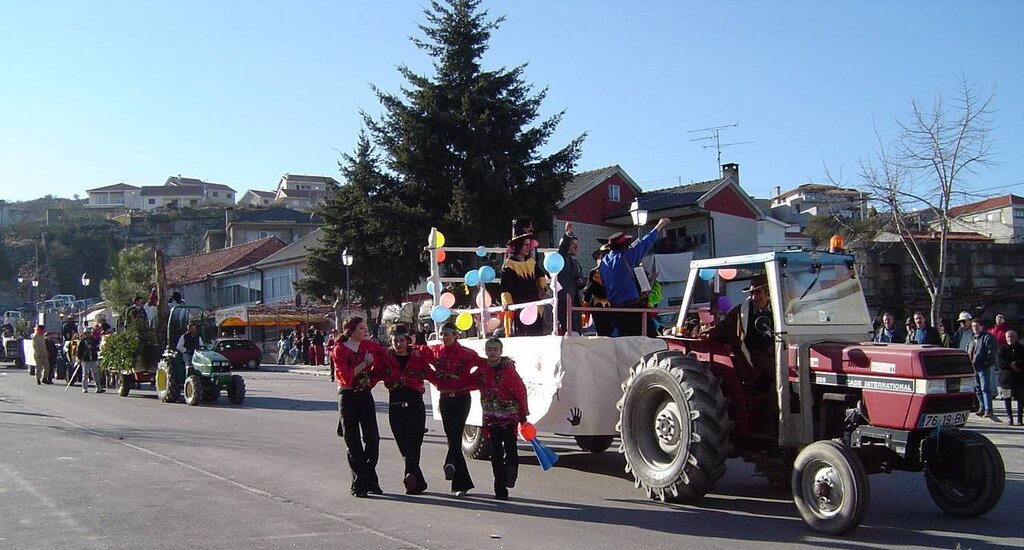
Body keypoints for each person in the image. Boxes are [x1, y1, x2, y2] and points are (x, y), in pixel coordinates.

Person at [421, 322, 486, 496]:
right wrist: (436, 380)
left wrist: (469, 382)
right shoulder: (435, 351)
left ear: (455, 335)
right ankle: (461, 484)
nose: (444, 337)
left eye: (447, 334)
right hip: (444, 399)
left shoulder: (466, 353)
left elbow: (483, 365)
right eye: (442, 334)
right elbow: (420, 359)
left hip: (462, 398)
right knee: (452, 439)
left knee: (456, 434)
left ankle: (450, 462)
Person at [330, 316, 388, 498]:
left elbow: (386, 356)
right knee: (353, 440)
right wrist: (365, 362)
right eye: (361, 328)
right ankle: (360, 483)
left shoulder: (368, 346)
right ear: (352, 331)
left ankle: (369, 476)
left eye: (364, 328)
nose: (365, 331)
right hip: (347, 396)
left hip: (364, 394)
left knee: (373, 438)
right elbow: (346, 376)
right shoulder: (338, 350)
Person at [376, 324, 433, 494]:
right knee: (403, 444)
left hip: (415, 404)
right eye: (395, 340)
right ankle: (418, 480)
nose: (398, 344)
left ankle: (410, 480)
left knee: (414, 444)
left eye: (402, 340)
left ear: (407, 341)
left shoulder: (418, 355)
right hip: (396, 406)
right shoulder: (386, 358)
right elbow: (373, 373)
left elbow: (434, 362)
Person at [474, 338, 529, 500]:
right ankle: (499, 487)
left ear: (501, 351)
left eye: (495, 349)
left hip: (509, 416)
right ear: (485, 352)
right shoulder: (483, 370)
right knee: (496, 452)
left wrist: (523, 413)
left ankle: (510, 474)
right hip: (491, 417)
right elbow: (470, 382)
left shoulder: (509, 370)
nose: (492, 352)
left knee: (511, 449)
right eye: (489, 349)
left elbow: (520, 390)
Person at [599, 218, 670, 336]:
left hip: (615, 310)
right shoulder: (627, 256)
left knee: (627, 342)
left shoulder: (603, 262)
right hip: (632, 308)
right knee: (650, 337)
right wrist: (659, 226)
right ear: (624, 246)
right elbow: (645, 243)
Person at [708, 274, 775, 390]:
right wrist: (706, 333)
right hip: (753, 355)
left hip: (777, 352)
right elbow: (723, 329)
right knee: (780, 372)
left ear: (768, 294)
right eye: (752, 293)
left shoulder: (779, 311)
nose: (754, 297)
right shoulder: (739, 313)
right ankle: (777, 408)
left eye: (758, 293)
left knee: (790, 368)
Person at [500, 233, 549, 336]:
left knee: (537, 335)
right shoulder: (509, 264)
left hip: (534, 304)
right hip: (519, 306)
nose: (528, 247)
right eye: (525, 245)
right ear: (518, 246)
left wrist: (542, 288)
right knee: (522, 335)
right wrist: (507, 303)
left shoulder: (531, 262)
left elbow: (540, 275)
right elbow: (506, 286)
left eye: (529, 245)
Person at [556, 222, 586, 335]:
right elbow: (562, 248)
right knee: (569, 332)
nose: (577, 247)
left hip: (576, 302)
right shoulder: (562, 258)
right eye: (573, 244)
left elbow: (581, 279)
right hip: (565, 301)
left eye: (577, 244)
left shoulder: (576, 262)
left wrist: (581, 281)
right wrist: (568, 234)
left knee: (578, 332)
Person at [966, 318, 998, 419]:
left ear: (981, 326)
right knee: (978, 389)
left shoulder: (988, 337)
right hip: (974, 367)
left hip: (983, 367)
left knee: (985, 389)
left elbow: (991, 354)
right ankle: (982, 407)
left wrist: (985, 364)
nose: (974, 328)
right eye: (973, 326)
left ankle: (989, 410)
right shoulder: (972, 338)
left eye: (976, 326)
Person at [582, 249, 613, 336]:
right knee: (603, 331)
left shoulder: (613, 271)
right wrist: (585, 311)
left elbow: (587, 292)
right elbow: (588, 292)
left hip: (611, 305)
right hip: (598, 305)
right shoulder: (595, 272)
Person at [996, 330, 1024, 425]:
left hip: (1019, 377)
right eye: (1008, 337)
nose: (1010, 339)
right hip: (1006, 378)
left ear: (1016, 337)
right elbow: (1000, 362)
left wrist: (1016, 364)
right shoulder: (1002, 349)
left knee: (1020, 398)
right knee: (1007, 398)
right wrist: (1010, 365)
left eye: (1012, 336)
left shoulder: (1021, 348)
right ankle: (1009, 418)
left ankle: (1020, 419)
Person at [77, 327, 104, 393]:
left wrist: (92, 347)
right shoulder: (82, 342)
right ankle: (84, 388)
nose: (87, 335)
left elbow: (97, 346)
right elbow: (79, 351)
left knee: (95, 374)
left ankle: (98, 388)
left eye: (88, 333)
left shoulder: (93, 340)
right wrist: (79, 358)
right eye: (86, 333)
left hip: (93, 359)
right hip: (85, 359)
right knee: (85, 374)